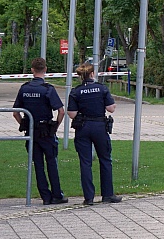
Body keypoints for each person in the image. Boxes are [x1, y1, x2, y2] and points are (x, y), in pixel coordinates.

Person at [14, 58, 66, 205]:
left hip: (32, 132)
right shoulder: (48, 89)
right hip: (46, 131)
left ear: (32, 70)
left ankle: (45, 196)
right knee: (51, 162)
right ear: (45, 69)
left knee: (38, 164)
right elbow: (61, 111)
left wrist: (24, 125)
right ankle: (57, 194)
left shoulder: (24, 88)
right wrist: (55, 126)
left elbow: (15, 112)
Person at [68, 62, 120, 206]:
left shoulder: (75, 91)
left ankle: (89, 197)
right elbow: (110, 109)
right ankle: (107, 195)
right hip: (99, 127)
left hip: (83, 127)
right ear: (92, 74)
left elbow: (71, 114)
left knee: (85, 162)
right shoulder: (102, 89)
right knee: (105, 159)